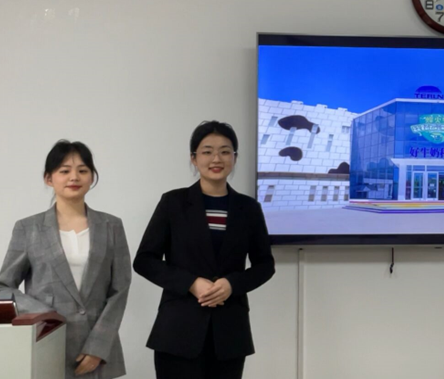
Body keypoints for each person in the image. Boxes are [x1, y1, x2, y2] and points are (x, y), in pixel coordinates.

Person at [134, 121, 275, 379]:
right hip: (178, 330)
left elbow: (265, 265)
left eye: (225, 151)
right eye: (207, 151)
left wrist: (232, 284)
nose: (216, 159)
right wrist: (190, 283)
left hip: (229, 332)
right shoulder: (173, 202)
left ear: (235, 157)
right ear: (194, 158)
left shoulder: (249, 208)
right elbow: (145, 260)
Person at [0, 140, 131, 378]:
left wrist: (98, 347)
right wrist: (44, 314)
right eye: (64, 171)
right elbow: (3, 286)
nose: (74, 177)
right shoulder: (28, 228)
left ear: (92, 177)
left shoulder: (111, 226)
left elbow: (120, 289)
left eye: (82, 170)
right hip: (46, 342)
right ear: (48, 178)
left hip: (98, 352)